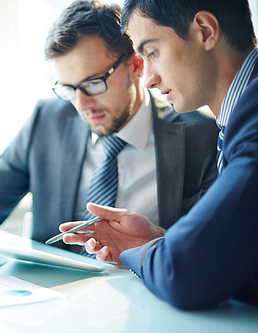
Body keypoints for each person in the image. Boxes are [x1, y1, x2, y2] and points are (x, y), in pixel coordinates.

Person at [0, 0, 218, 269]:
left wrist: (156, 244)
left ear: (135, 65)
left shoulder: (201, 135)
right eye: (68, 89)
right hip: (59, 303)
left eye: (93, 83)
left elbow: (214, 248)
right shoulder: (48, 121)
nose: (82, 105)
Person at [62, 0, 258, 310]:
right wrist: (162, 243)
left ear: (205, 31)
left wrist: (146, 251)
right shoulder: (237, 120)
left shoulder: (252, 122)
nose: (148, 78)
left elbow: (185, 275)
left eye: (152, 52)